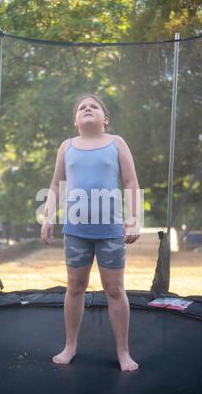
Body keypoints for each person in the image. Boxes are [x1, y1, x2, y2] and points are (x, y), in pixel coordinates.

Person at [40, 94, 141, 371]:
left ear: (104, 120)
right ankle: (70, 345)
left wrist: (134, 218)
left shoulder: (116, 143)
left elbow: (131, 181)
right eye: (81, 108)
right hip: (76, 231)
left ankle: (123, 351)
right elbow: (56, 185)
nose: (87, 108)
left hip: (110, 230)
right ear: (76, 121)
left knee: (114, 288)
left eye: (93, 106)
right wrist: (47, 216)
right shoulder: (67, 147)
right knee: (74, 287)